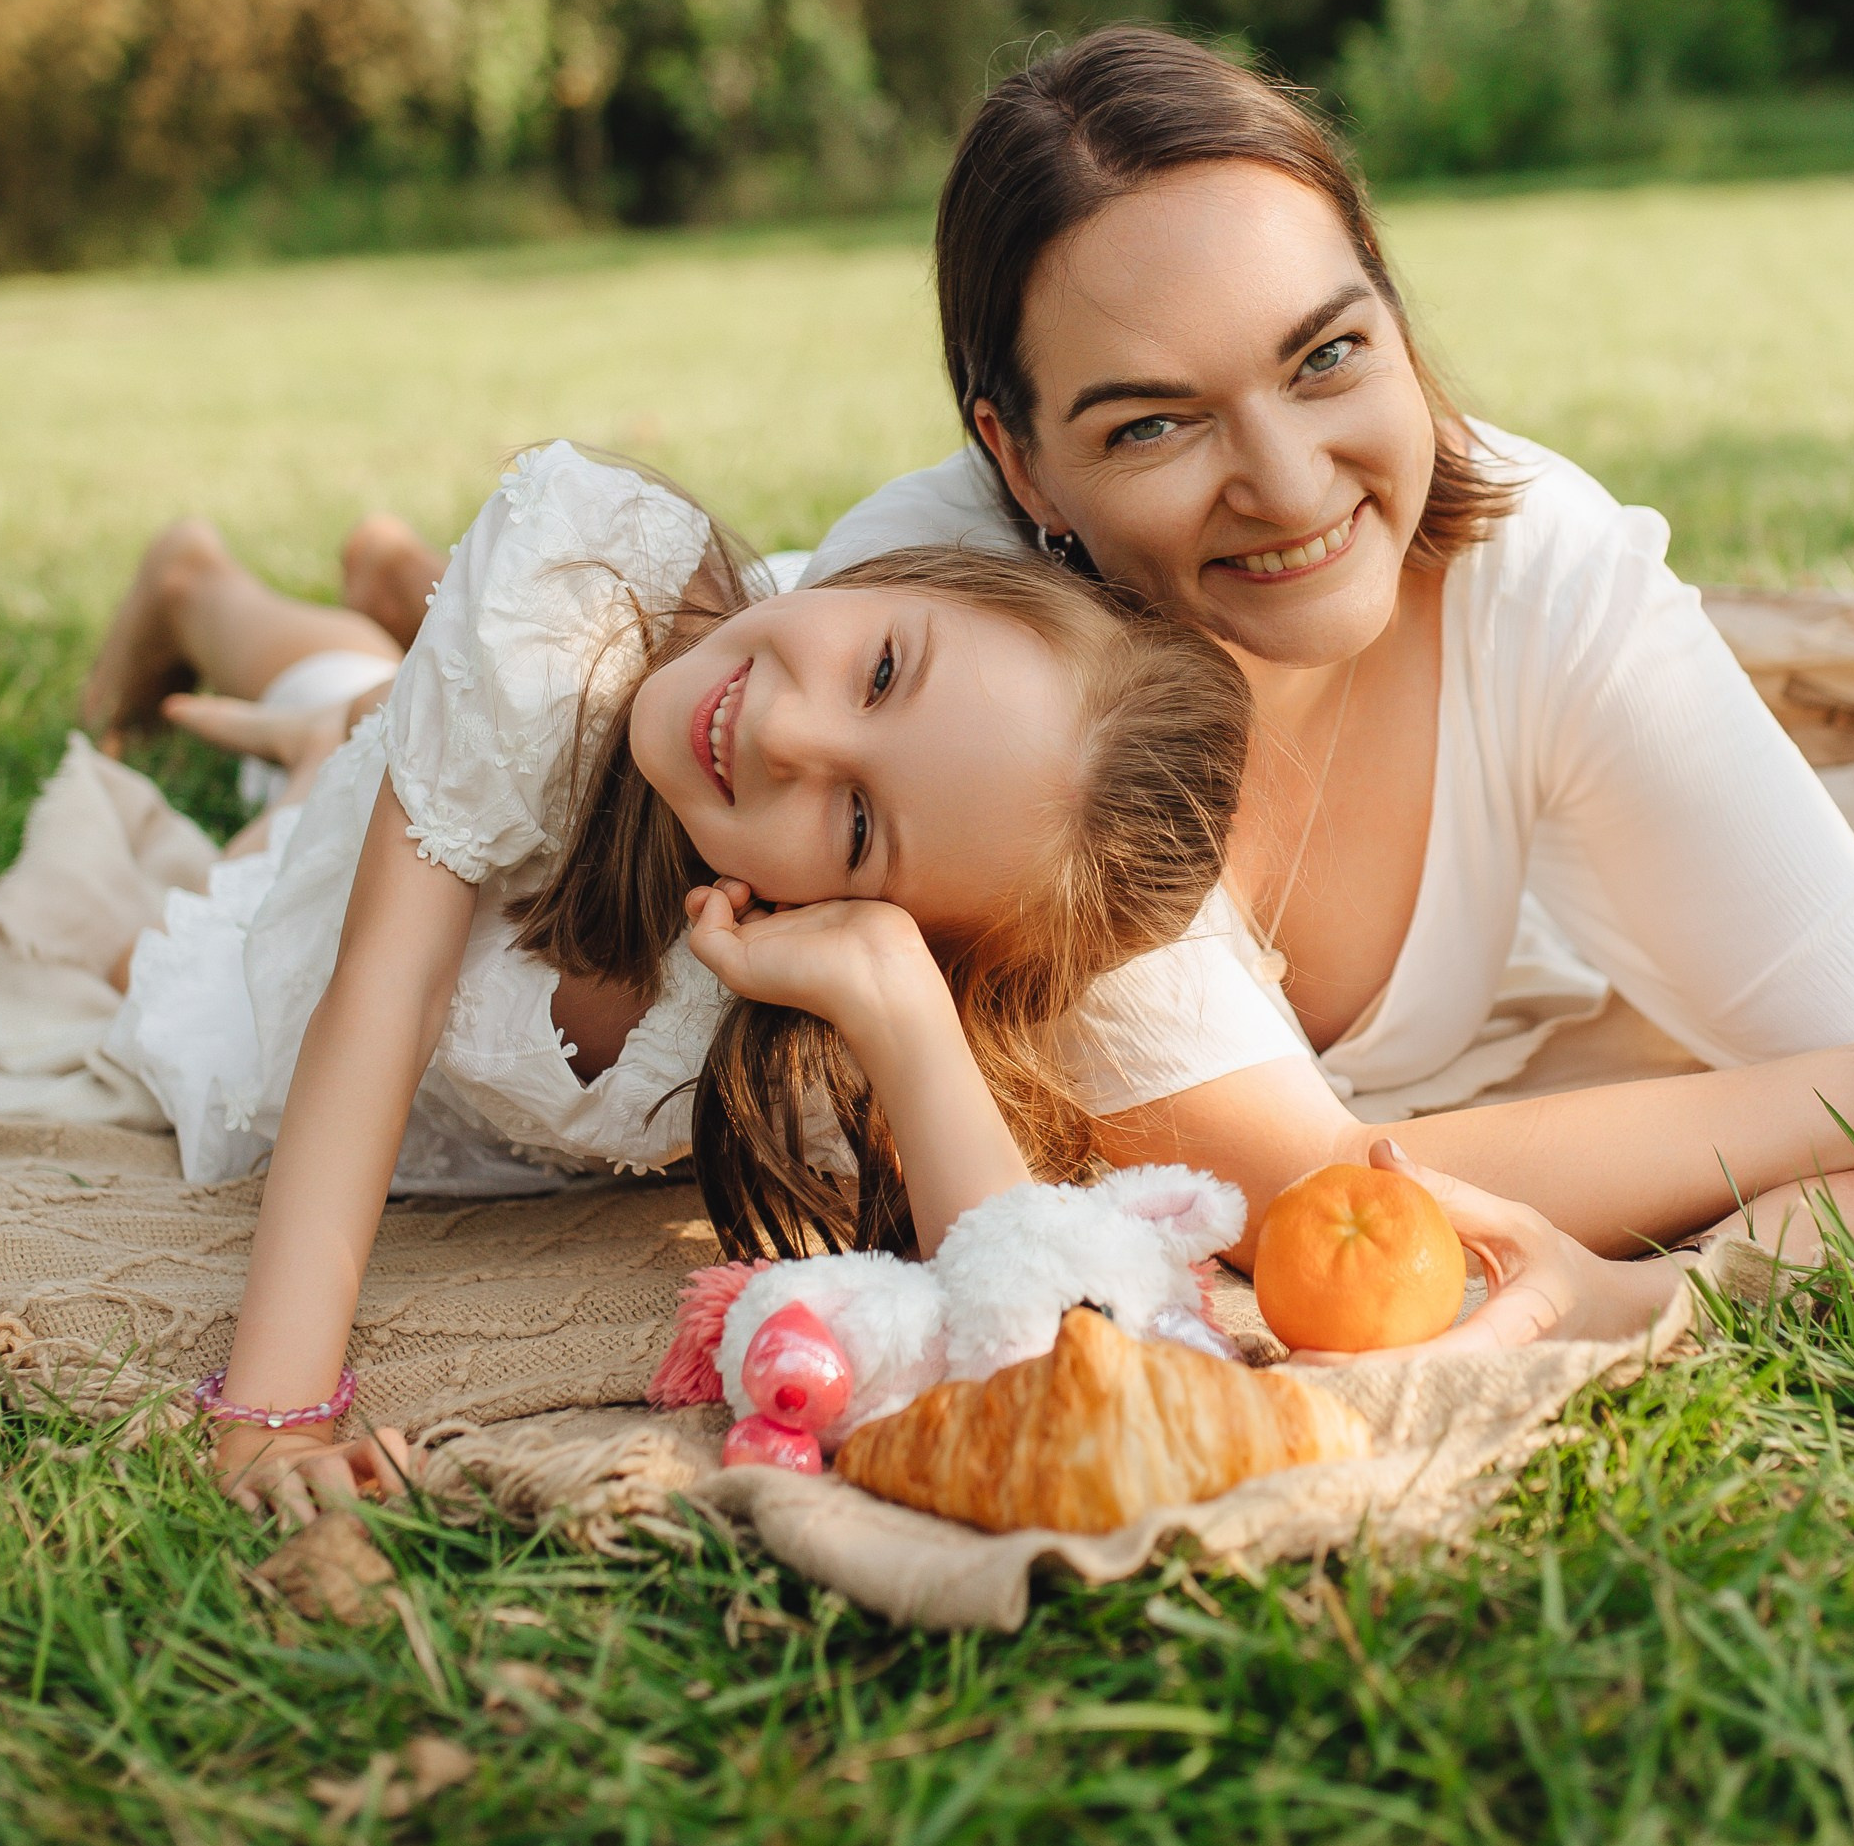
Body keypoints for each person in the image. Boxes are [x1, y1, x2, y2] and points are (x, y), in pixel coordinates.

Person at [786, 28, 1854, 1266]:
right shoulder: (946, 673)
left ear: (1396, 320)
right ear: (1020, 462)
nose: (1293, 487)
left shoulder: (1537, 561)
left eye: (1328, 356)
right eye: (1153, 423)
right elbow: (1316, 1203)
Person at [63, 441, 1259, 1512]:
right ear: (913, 575)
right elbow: (386, 986)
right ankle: (203, 587)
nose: (788, 736)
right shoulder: (576, 593)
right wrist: (275, 1417)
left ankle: (376, 644)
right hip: (360, 902)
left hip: (480, 792)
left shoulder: (844, 973)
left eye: (855, 825)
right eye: (883, 668)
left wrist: (903, 1014)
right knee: (155, 942)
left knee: (362, 707)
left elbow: (1015, 1316)